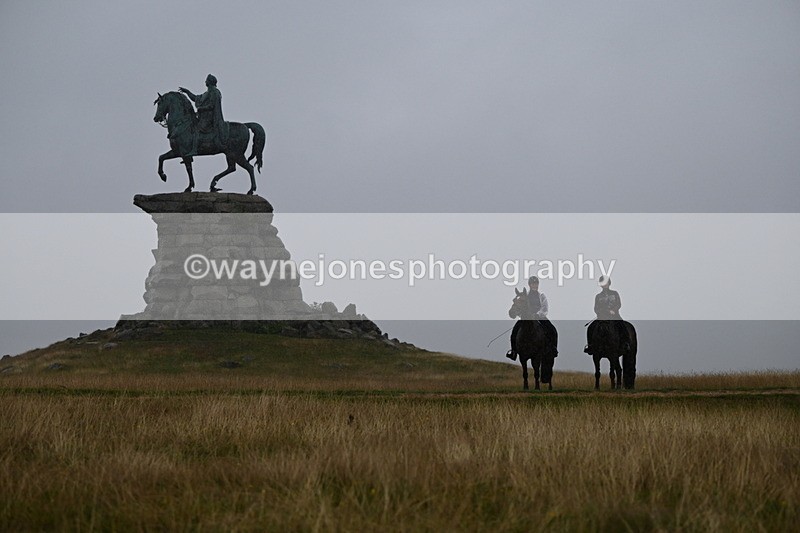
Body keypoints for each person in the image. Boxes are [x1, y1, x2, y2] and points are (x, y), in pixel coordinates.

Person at [506, 276, 559, 361]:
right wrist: (520, 314)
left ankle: (553, 349)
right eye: (532, 284)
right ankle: (513, 352)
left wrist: (537, 314)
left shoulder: (541, 296)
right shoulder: (525, 296)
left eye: (536, 283)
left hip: (540, 317)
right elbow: (521, 307)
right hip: (526, 318)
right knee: (514, 332)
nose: (534, 285)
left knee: (552, 330)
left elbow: (545, 308)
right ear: (529, 285)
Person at [179, 74, 229, 153]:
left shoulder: (215, 92)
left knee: (196, 129)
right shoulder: (207, 93)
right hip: (203, 117)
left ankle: (194, 150)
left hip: (210, 118)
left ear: (210, 82)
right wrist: (187, 92)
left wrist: (201, 109)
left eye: (206, 80)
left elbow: (211, 105)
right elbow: (195, 98)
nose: (205, 82)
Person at [585, 275, 629, 354]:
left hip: (614, 316)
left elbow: (618, 304)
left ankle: (625, 343)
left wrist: (614, 310)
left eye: (606, 283)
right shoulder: (598, 296)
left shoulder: (614, 293)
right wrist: (600, 312)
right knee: (591, 327)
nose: (604, 285)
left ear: (609, 283)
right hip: (602, 317)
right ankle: (590, 346)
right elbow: (596, 308)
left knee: (622, 326)